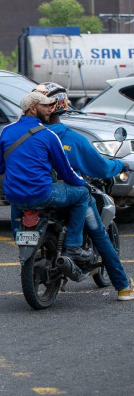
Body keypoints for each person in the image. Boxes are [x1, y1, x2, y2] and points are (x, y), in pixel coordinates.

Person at [33, 82, 133, 300]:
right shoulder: (71, 139)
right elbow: (100, 167)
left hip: (32, 194)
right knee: (99, 234)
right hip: (66, 194)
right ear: (62, 105)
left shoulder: (29, 135)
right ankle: (123, 286)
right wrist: (120, 166)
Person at [0, 91, 93, 263]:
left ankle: (21, 240)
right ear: (32, 109)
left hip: (13, 196)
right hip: (42, 193)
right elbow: (66, 172)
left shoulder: (6, 131)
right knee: (82, 195)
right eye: (46, 105)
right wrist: (82, 183)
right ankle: (73, 246)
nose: (50, 109)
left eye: (51, 105)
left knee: (20, 199)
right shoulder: (48, 135)